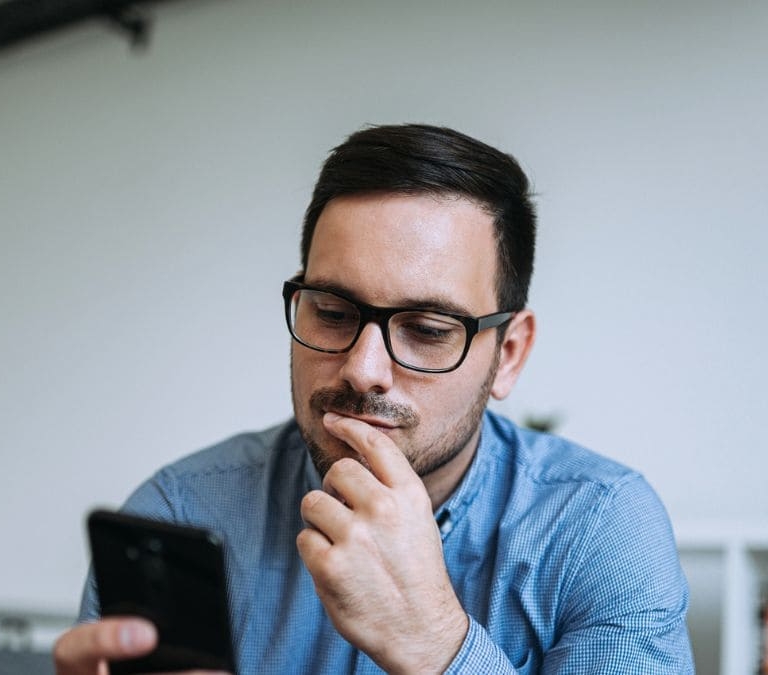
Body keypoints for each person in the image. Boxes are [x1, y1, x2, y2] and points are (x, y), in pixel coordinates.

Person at [54, 123, 694, 674]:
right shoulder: (181, 512)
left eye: (427, 330)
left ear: (511, 354)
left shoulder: (600, 529)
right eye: (332, 312)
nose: (363, 371)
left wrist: (437, 646)